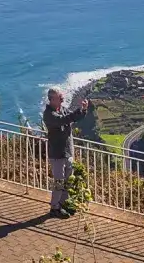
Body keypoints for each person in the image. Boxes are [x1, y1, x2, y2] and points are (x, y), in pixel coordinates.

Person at [42, 88, 90, 218]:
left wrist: (83, 110)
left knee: (68, 180)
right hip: (57, 154)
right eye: (60, 97)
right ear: (52, 99)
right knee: (59, 181)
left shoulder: (61, 109)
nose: (63, 99)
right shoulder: (49, 114)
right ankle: (54, 207)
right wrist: (78, 110)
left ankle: (64, 203)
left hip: (67, 151)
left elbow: (73, 117)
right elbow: (64, 120)